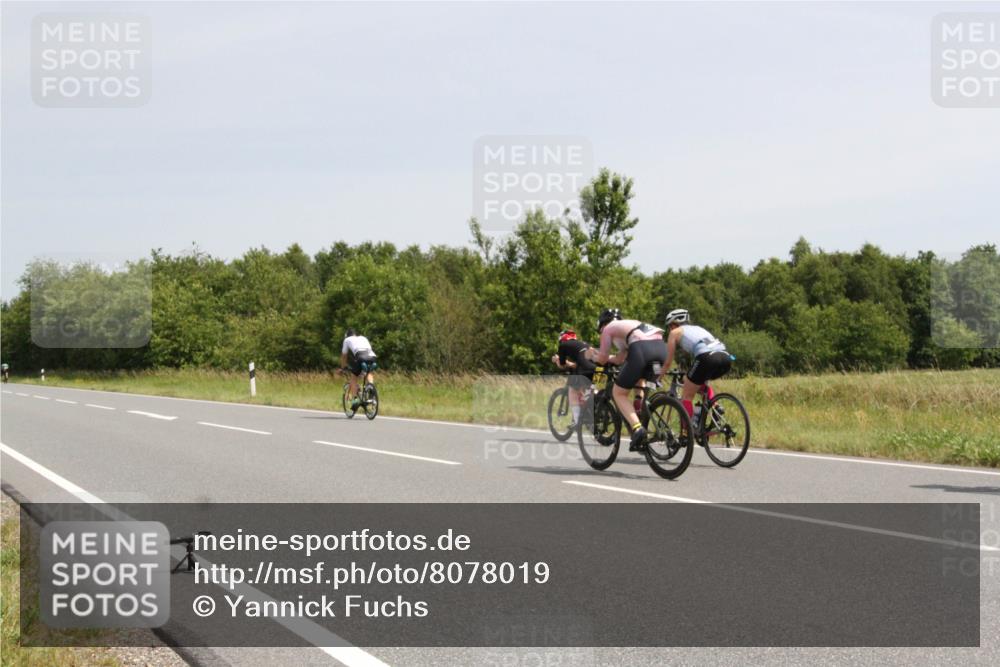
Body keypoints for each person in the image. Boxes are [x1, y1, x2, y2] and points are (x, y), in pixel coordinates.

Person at [585, 308, 667, 452]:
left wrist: (592, 356)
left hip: (642, 349)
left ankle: (637, 429)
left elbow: (603, 359)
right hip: (661, 349)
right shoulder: (628, 327)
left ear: (602, 324)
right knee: (640, 380)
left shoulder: (607, 329)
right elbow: (619, 359)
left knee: (618, 393)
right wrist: (607, 358)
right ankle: (639, 409)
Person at [661, 309, 732, 421]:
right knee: (694, 382)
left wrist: (658, 378)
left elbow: (668, 362)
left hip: (707, 357)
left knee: (687, 396)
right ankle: (715, 407)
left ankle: (686, 433)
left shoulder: (675, 332)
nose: (670, 329)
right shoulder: (698, 329)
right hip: (725, 357)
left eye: (670, 326)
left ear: (674, 324)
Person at [550, 329, 596, 428]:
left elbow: (562, 366)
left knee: (572, 391)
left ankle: (576, 421)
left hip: (585, 368)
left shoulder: (563, 345)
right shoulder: (583, 344)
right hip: (596, 367)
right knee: (589, 391)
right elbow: (576, 365)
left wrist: (557, 360)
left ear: (562, 339)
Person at [340, 328, 377, 410]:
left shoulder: (347, 340)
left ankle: (355, 400)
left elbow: (344, 355)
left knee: (353, 379)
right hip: (372, 357)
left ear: (346, 336)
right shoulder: (363, 337)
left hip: (361, 356)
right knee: (368, 373)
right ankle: (371, 391)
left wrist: (343, 368)